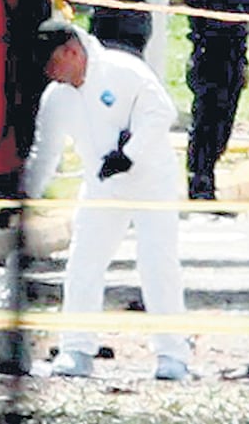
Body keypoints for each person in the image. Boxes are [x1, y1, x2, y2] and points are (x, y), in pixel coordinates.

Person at [21, 19, 190, 380]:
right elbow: (45, 153)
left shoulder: (123, 69)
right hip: (102, 188)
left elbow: (162, 112)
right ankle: (76, 350)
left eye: (53, 64)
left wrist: (130, 153)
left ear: (71, 51)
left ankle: (173, 356)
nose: (51, 74)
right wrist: (24, 198)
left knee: (157, 265)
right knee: (83, 263)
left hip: (151, 183)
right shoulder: (57, 97)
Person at [178, 0, 249, 201]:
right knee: (205, 124)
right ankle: (199, 186)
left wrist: (244, 62)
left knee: (223, 126)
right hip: (208, 60)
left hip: (232, 62)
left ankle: (209, 179)